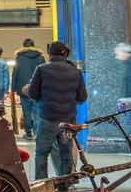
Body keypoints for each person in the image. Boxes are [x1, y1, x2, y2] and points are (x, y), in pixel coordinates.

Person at [24, 41, 85, 181]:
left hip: (48, 119)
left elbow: (32, 93)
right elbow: (82, 96)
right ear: (65, 54)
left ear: (50, 54)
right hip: (68, 120)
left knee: (41, 153)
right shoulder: (75, 71)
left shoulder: (42, 69)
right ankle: (64, 184)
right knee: (66, 154)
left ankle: (41, 184)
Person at [12, 39, 46, 138]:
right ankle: (37, 133)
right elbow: (44, 74)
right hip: (37, 89)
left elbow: (15, 73)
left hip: (23, 90)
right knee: (37, 112)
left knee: (26, 112)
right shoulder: (40, 57)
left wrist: (14, 88)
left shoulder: (19, 57)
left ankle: (28, 133)